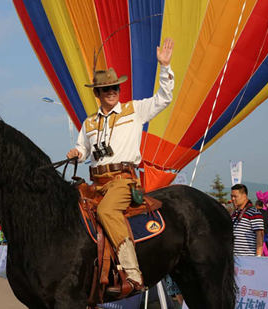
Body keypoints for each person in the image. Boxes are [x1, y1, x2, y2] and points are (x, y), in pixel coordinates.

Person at [66, 37, 175, 295]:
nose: (112, 91)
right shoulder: (89, 123)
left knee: (105, 212)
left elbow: (163, 98)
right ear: (97, 93)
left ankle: (132, 272)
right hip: (96, 183)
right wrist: (76, 153)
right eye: (106, 89)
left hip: (123, 182)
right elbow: (83, 149)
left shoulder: (134, 110)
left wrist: (165, 67)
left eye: (115, 87)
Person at [231, 184, 264, 256]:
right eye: (232, 196)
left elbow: (260, 236)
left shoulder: (254, 212)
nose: (233, 199)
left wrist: (258, 256)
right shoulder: (235, 213)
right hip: (235, 257)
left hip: (248, 257)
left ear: (244, 196)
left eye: (235, 196)